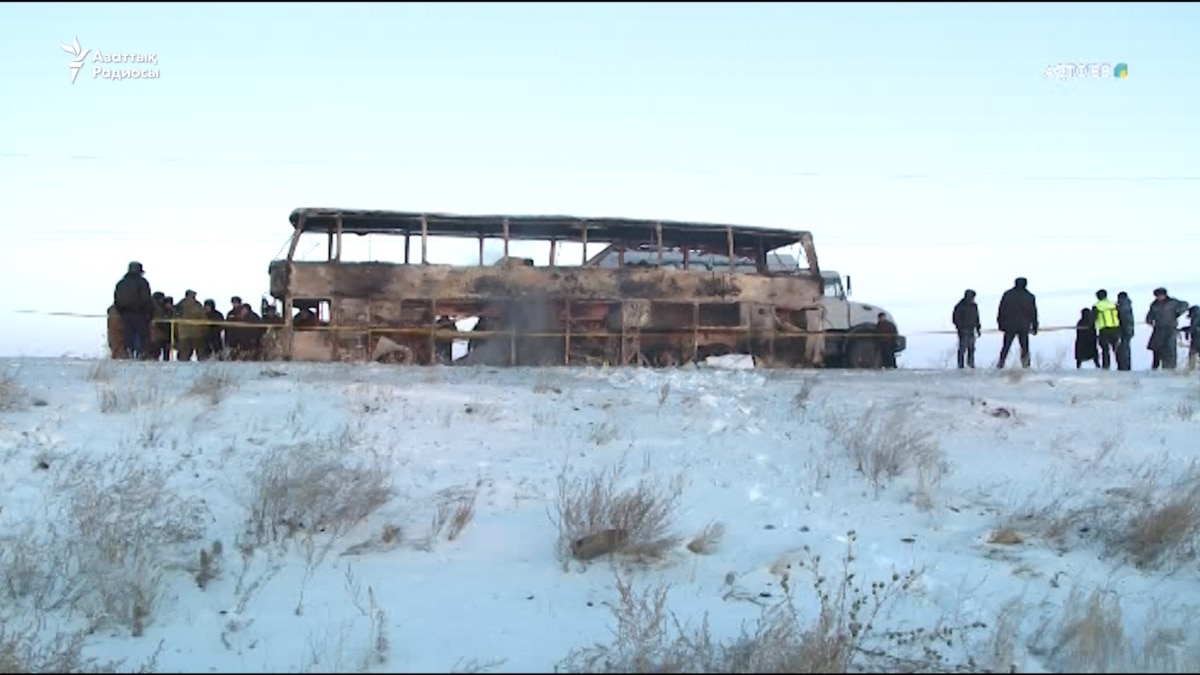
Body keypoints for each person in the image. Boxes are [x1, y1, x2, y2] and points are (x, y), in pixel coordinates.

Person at [112, 261, 154, 359]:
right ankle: (140, 354)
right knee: (141, 335)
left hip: (125, 314)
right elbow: (146, 299)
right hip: (140, 313)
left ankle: (129, 353)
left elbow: (117, 300)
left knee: (128, 335)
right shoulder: (142, 282)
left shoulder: (121, 283)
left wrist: (122, 312)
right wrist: (149, 312)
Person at [996, 277, 1039, 369]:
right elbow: (1033, 313)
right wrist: (1035, 326)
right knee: (1024, 347)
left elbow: (1001, 310)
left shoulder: (1008, 295)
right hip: (1023, 326)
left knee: (1006, 347)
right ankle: (1026, 365)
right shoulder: (1029, 296)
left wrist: (1000, 323)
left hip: (1009, 325)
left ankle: (1001, 363)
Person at [1146, 287, 1189, 370]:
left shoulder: (1172, 302)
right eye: (1157, 296)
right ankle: (1155, 367)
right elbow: (1150, 314)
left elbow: (1185, 304)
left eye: (1160, 295)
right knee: (1156, 348)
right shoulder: (1154, 304)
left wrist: (1179, 312)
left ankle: (1170, 367)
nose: (1159, 297)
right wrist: (1149, 320)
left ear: (1164, 295)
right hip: (1158, 329)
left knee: (1170, 349)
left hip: (1171, 329)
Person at [952, 289, 981, 369]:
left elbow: (976, 318)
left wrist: (978, 328)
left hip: (972, 329)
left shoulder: (974, 306)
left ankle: (971, 364)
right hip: (963, 330)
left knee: (971, 348)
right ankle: (960, 366)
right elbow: (955, 319)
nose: (973, 299)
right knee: (962, 348)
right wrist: (960, 328)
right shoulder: (959, 306)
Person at [174, 290, 207, 361]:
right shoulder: (197, 305)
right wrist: (204, 329)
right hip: (195, 332)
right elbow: (203, 317)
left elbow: (175, 318)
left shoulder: (180, 305)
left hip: (184, 333)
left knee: (185, 353)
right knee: (199, 351)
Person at [1092, 290, 1121, 370]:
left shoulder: (1097, 306)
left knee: (1105, 349)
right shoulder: (1113, 304)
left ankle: (1106, 366)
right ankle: (1121, 365)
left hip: (1104, 329)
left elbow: (1093, 318)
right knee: (1116, 348)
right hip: (1115, 328)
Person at [1116, 291, 1135, 371]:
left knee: (1123, 348)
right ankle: (1126, 366)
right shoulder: (1127, 304)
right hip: (1129, 329)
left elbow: (1124, 318)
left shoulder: (1122, 306)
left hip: (1124, 329)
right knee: (1125, 348)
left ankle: (1124, 367)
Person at [1185, 306, 1200, 373]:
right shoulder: (1195, 318)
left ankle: (1191, 370)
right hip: (1195, 340)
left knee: (1192, 355)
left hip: (1197, 341)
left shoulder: (1197, 318)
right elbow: (1192, 328)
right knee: (1192, 355)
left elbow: (1193, 328)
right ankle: (1191, 370)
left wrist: (1188, 331)